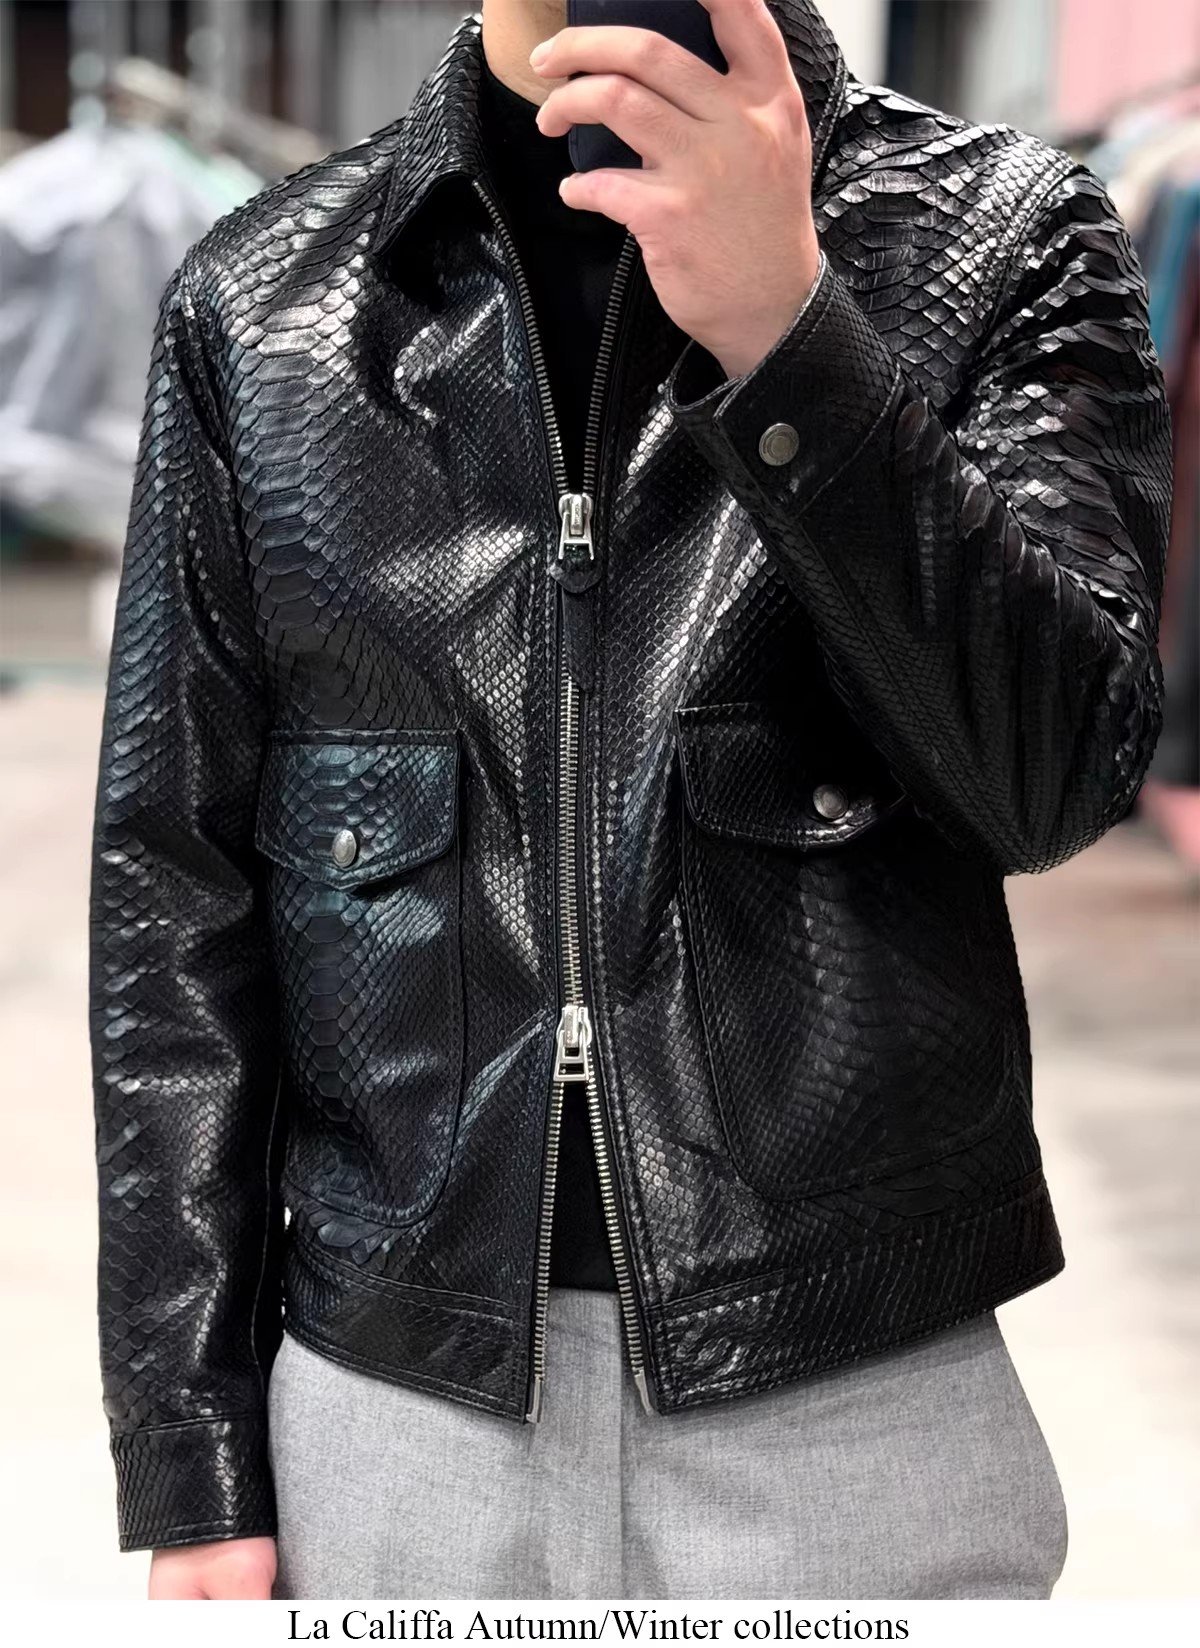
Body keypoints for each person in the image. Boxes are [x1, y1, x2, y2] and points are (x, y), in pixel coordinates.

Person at [88, 0, 1171, 1603]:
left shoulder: (997, 234)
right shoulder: (266, 301)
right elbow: (176, 896)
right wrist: (192, 1453)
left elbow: (1053, 785)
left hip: (849, 1386)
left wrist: (791, 339)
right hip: (396, 1408)